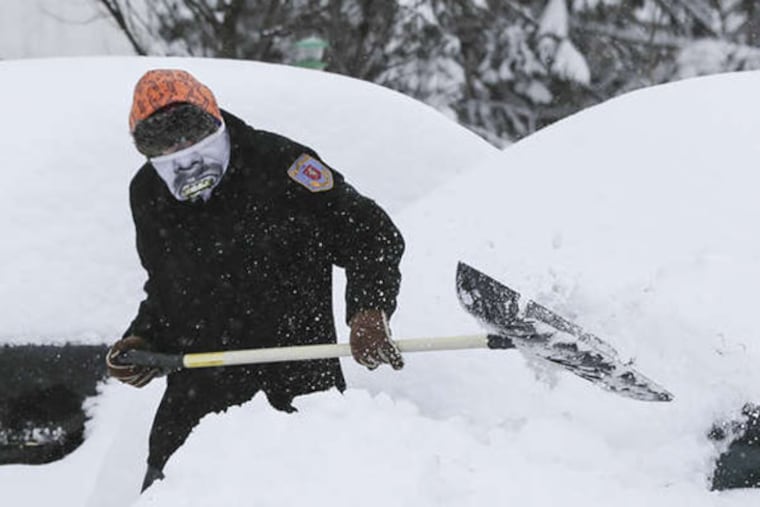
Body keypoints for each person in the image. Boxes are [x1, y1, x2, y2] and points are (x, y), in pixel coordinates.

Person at [105, 69, 405, 491]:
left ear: (216, 123)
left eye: (192, 139)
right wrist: (145, 340)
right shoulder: (148, 193)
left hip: (298, 395)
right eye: (167, 149)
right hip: (198, 405)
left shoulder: (283, 166)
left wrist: (368, 310)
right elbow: (167, 288)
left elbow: (371, 236)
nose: (185, 156)